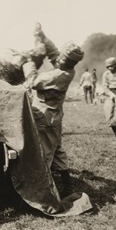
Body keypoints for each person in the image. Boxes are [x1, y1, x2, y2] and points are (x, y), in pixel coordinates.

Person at [21, 37, 84, 197]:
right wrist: (42, 37)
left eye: (62, 58)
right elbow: (55, 54)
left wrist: (29, 63)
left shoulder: (59, 75)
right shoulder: (67, 69)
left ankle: (43, 191)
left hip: (44, 119)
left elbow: (33, 81)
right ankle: (68, 187)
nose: (59, 59)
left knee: (44, 155)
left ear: (68, 61)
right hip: (54, 119)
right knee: (57, 151)